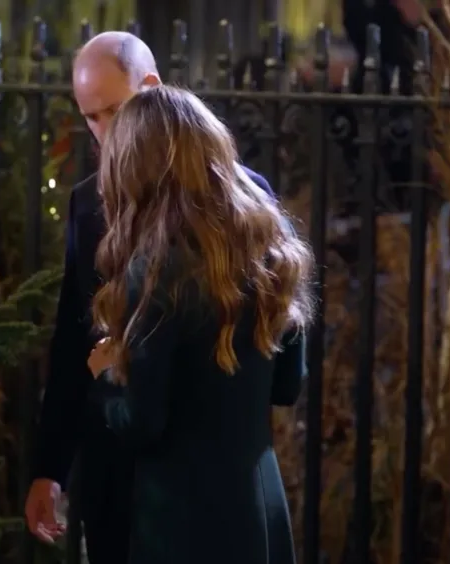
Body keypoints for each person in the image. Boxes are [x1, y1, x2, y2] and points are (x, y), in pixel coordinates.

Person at [24, 31, 276, 562]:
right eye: (89, 117)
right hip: (114, 464)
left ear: (152, 88)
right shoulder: (88, 204)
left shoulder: (244, 199)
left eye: (112, 111)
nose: (101, 132)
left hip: (199, 469)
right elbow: (74, 339)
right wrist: (49, 465)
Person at [87, 85, 314, 564]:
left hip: (181, 517)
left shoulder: (155, 271)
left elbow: (143, 423)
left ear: (134, 168)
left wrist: (106, 375)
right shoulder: (272, 242)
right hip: (258, 501)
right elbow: (288, 386)